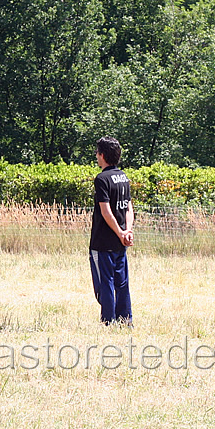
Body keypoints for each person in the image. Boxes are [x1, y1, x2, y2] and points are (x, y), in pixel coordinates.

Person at [89, 136, 134, 325]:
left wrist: (118, 232)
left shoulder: (101, 179)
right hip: (120, 241)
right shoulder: (123, 177)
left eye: (98, 153)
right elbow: (129, 207)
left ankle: (108, 321)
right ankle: (125, 319)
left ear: (103, 155)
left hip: (102, 241)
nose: (96, 156)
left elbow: (106, 211)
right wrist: (127, 231)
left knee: (104, 282)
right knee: (121, 282)